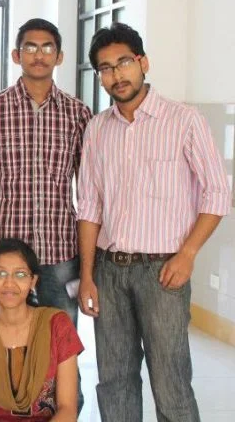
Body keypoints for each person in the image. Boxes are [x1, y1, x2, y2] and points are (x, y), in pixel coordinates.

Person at [78, 22, 230, 422]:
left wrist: (188, 254)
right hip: (109, 271)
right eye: (106, 68)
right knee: (114, 380)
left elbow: (218, 192)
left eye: (124, 62)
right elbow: (89, 206)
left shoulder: (184, 120)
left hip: (163, 272)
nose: (117, 74)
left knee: (171, 381)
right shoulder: (97, 129)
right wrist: (88, 275)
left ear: (143, 62)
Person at [0, 18, 92, 410]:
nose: (39, 55)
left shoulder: (77, 113)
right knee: (4, 350)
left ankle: (64, 413)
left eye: (47, 47)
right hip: (6, 260)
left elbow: (89, 189)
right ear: (17, 55)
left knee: (61, 348)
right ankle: (5, 412)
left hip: (60, 256)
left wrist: (89, 262)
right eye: (30, 47)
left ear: (59, 56)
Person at [0, 238, 82, 422]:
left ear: (33, 281)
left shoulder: (57, 325)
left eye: (20, 274)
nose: (9, 283)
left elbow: (67, 411)